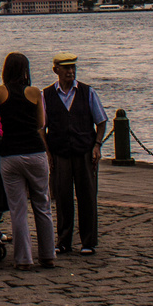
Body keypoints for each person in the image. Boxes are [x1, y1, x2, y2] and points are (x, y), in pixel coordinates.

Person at [0, 52, 56, 271]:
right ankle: (47, 255)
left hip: (10, 153)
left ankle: (23, 259)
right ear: (26, 70)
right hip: (35, 152)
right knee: (42, 205)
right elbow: (40, 124)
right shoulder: (34, 92)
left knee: (18, 209)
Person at [44, 53, 107, 256]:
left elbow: (101, 121)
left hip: (84, 152)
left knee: (87, 196)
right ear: (56, 70)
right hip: (60, 152)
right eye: (66, 68)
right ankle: (64, 241)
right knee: (62, 197)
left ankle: (88, 241)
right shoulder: (47, 95)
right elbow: (41, 127)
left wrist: (97, 145)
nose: (71, 71)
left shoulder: (87, 92)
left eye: (73, 67)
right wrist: (48, 153)